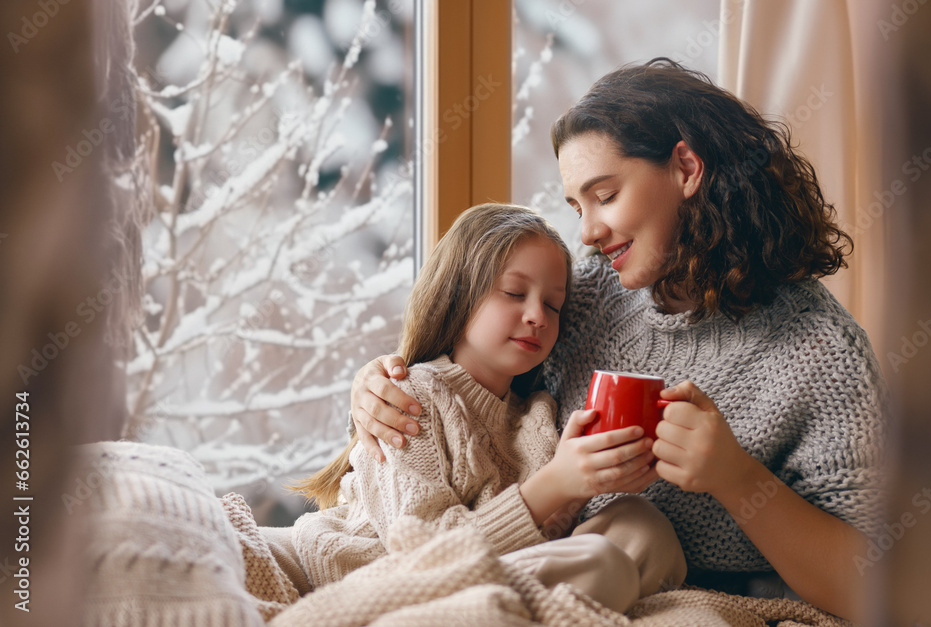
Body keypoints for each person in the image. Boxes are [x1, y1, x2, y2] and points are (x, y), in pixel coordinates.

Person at [349, 59, 887, 622]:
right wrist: (381, 383)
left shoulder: (821, 352)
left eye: (604, 196)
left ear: (685, 167)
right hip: (546, 567)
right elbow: (474, 380)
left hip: (666, 595)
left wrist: (737, 477)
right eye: (577, 207)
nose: (587, 232)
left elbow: (878, 586)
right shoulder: (587, 296)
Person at [286, 202, 686, 614]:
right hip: (390, 584)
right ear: (457, 295)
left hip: (489, 579)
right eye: (515, 293)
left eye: (553, 305)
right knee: (602, 567)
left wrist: (590, 482)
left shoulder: (537, 416)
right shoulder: (411, 399)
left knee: (642, 525)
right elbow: (423, 554)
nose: (537, 316)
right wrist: (556, 484)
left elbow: (544, 540)